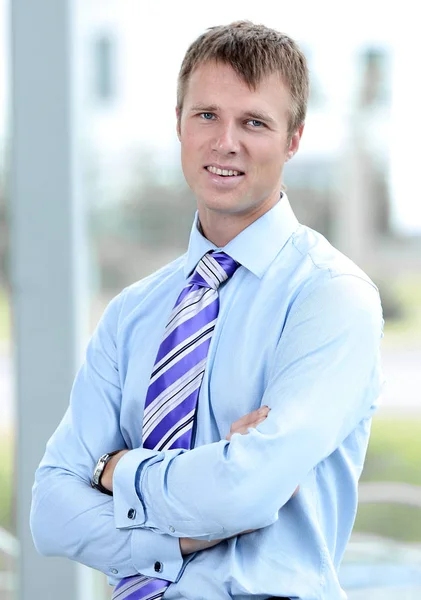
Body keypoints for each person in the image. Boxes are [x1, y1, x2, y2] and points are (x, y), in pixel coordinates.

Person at [30, 20, 384, 600]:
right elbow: (51, 513)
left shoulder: (331, 297)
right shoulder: (131, 314)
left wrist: (117, 472)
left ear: (293, 138)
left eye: (254, 122)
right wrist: (196, 516)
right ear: (178, 125)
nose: (226, 142)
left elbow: (245, 493)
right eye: (206, 116)